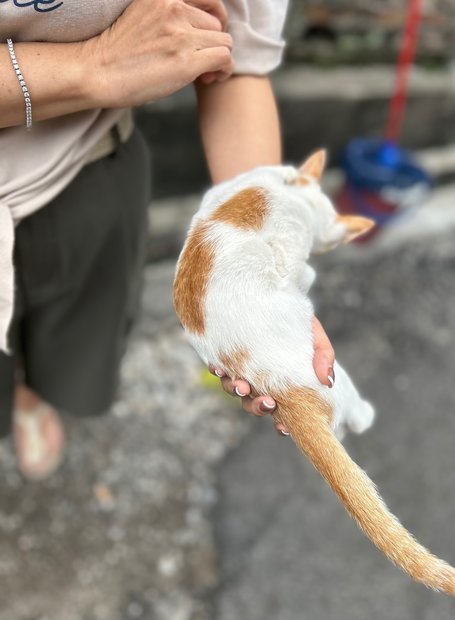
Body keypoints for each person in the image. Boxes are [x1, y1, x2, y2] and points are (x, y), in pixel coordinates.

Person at [0, 0, 335, 480]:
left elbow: (231, 57)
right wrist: (92, 66)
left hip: (86, 170)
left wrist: (257, 271)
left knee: (75, 341)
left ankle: (31, 398)